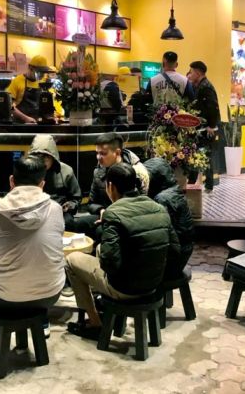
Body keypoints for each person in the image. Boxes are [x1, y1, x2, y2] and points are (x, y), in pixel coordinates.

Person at [65, 163, 180, 339]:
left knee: (72, 259)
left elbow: (110, 264)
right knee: (102, 249)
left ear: (110, 186)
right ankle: (102, 304)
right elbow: (175, 250)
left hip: (124, 289)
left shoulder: (113, 212)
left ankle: (95, 323)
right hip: (153, 285)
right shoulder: (158, 207)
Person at [0, 155, 64, 335]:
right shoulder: (56, 209)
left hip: (5, 298)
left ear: (12, 181)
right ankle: (42, 323)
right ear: (42, 184)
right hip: (50, 295)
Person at [143, 157, 195, 279]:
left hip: (174, 260)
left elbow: (159, 234)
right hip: (183, 251)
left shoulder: (162, 199)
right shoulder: (174, 189)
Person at [87, 132, 150, 216]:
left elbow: (142, 205)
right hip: (106, 215)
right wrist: (101, 210)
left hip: (131, 216)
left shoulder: (138, 172)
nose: (98, 157)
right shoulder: (98, 171)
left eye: (103, 153)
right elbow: (91, 203)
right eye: (97, 153)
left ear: (117, 152)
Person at [27, 134, 82, 229]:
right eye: (38, 157)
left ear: (53, 157)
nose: (42, 161)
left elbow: (76, 198)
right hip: (34, 211)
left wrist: (69, 206)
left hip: (60, 212)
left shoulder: (66, 171)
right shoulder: (27, 171)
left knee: (68, 223)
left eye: (46, 157)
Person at [187, 60, 221, 192]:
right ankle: (198, 183)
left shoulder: (206, 87)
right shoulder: (200, 85)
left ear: (197, 73)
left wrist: (211, 126)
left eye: (191, 72)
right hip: (202, 127)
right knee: (203, 155)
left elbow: (213, 107)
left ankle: (205, 184)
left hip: (206, 128)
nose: (190, 74)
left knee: (205, 155)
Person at [7, 54, 51, 124]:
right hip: (20, 124)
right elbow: (9, 105)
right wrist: (25, 118)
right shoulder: (17, 81)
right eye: (39, 72)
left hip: (38, 123)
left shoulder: (43, 82)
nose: (42, 75)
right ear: (30, 68)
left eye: (43, 73)